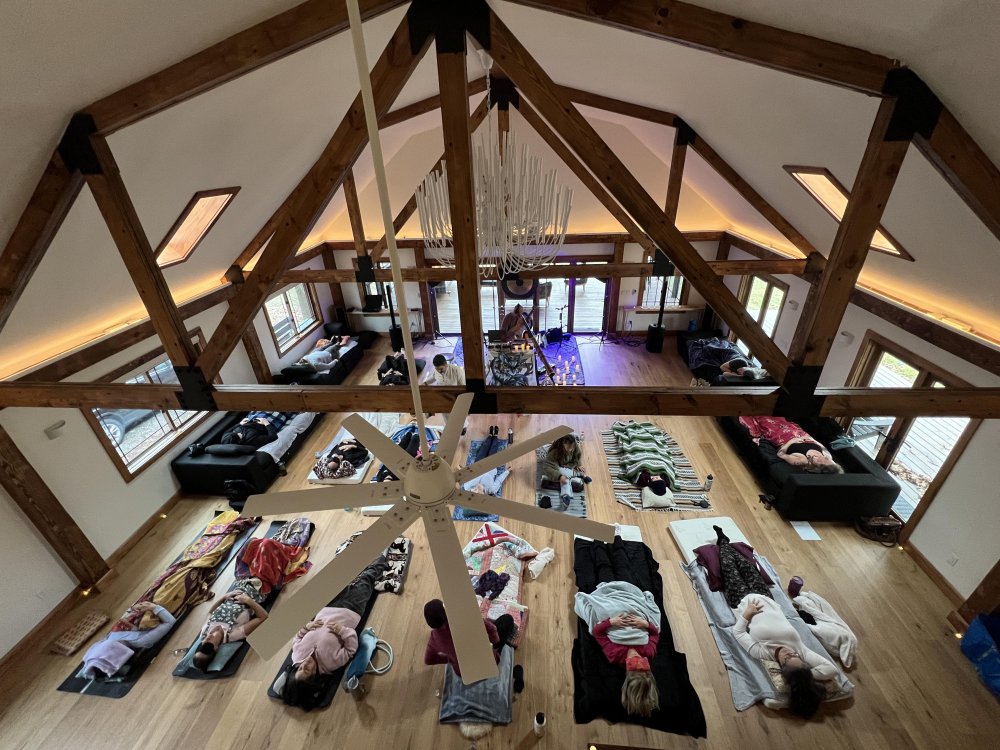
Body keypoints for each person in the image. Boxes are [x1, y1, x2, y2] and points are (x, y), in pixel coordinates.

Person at [280, 557, 389, 709]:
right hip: (351, 609)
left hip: (327, 607)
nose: (304, 665)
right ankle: (382, 558)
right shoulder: (331, 664)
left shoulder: (297, 656)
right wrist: (342, 631)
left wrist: (306, 627)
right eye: (308, 671)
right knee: (367, 578)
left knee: (339, 577)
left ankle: (359, 555)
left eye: (300, 668)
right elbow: (351, 649)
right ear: (315, 677)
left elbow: (297, 638)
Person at [734, 594, 838, 718]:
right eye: (794, 655)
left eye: (787, 658)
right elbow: (831, 669)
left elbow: (738, 632)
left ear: (781, 665)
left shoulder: (763, 652)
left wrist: (747, 613)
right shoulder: (800, 650)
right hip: (768, 598)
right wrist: (804, 678)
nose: (789, 653)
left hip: (744, 600)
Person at [77, 602, 178, 679]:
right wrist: (153, 607)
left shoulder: (112, 639)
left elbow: (131, 634)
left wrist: (129, 625)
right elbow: (170, 622)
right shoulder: (141, 641)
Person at [192, 577, 269, 671]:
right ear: (216, 648)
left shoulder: (205, 632)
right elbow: (263, 617)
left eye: (201, 646)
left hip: (239, 585)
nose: (205, 640)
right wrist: (248, 600)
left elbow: (210, 612)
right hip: (257, 589)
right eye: (207, 647)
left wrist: (224, 597)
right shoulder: (233, 634)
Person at [423, 598, 506, 677]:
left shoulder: (434, 638)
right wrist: (495, 644)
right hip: (487, 666)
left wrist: (450, 659)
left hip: (464, 674)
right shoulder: (465, 618)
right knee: (506, 620)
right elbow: (492, 629)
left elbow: (428, 660)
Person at [739, 416, 844, 474]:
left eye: (823, 461)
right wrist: (807, 438)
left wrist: (792, 441)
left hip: (781, 437)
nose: (824, 457)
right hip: (798, 433)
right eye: (827, 459)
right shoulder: (828, 456)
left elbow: (780, 454)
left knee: (763, 418)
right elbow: (819, 445)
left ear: (819, 467)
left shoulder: (801, 461)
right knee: (779, 417)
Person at [541, 434, 590, 508]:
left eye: (572, 447)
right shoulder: (555, 452)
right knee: (564, 477)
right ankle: (578, 477)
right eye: (568, 448)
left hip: (566, 466)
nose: (571, 450)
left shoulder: (575, 446)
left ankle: (566, 495)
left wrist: (578, 464)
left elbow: (577, 456)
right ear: (563, 445)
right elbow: (547, 467)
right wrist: (559, 476)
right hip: (557, 466)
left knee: (565, 475)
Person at [221, 411, 297, 447]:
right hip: (268, 423)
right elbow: (273, 437)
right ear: (239, 441)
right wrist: (266, 423)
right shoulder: (252, 440)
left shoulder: (226, 437)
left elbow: (228, 431)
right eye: (239, 435)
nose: (239, 433)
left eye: (236, 432)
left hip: (253, 419)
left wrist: (240, 424)